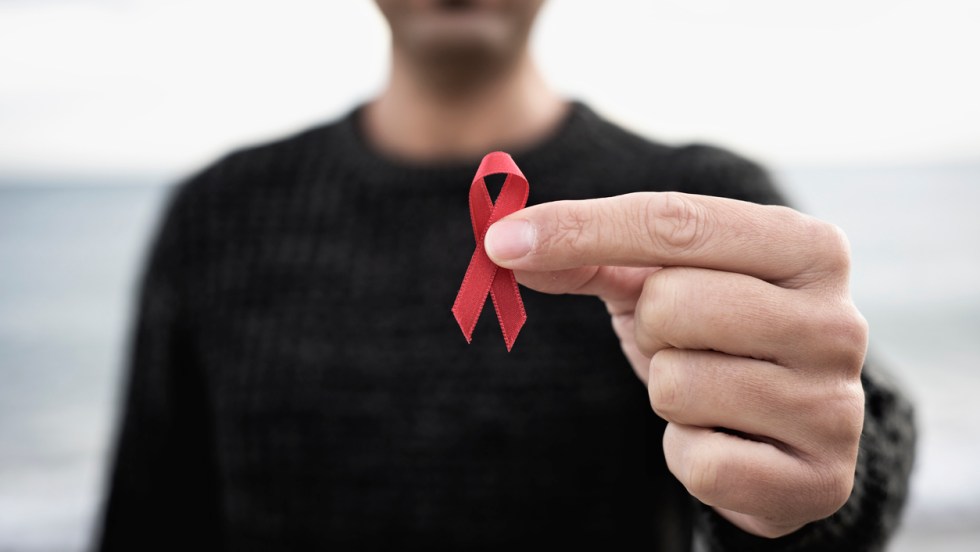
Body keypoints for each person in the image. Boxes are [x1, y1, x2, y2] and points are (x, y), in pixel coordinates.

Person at [95, 1, 915, 550]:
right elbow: (146, 517)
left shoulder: (696, 204)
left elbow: (849, 444)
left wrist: (816, 486)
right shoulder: (221, 214)